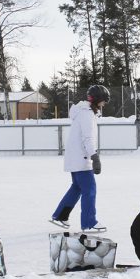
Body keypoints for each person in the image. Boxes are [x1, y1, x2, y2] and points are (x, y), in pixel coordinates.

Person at [50, 85, 110, 231]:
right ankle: (89, 223)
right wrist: (94, 157)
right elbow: (88, 138)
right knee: (90, 189)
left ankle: (60, 216)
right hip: (82, 158)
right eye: (103, 101)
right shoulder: (87, 114)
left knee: (77, 188)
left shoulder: (84, 112)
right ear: (97, 100)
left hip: (75, 157)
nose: (104, 104)